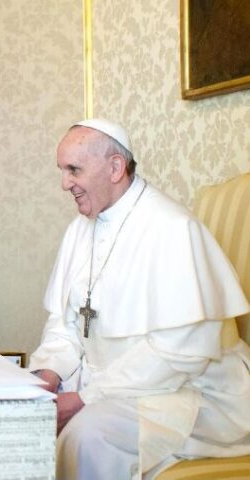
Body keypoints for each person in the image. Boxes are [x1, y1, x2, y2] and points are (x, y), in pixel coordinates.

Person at [28, 118, 250, 479]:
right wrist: (47, 375)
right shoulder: (79, 229)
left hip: (192, 392)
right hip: (116, 384)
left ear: (115, 167)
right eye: (63, 170)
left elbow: (177, 355)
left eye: (74, 170)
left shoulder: (173, 229)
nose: (64, 183)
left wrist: (86, 398)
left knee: (89, 435)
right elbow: (65, 324)